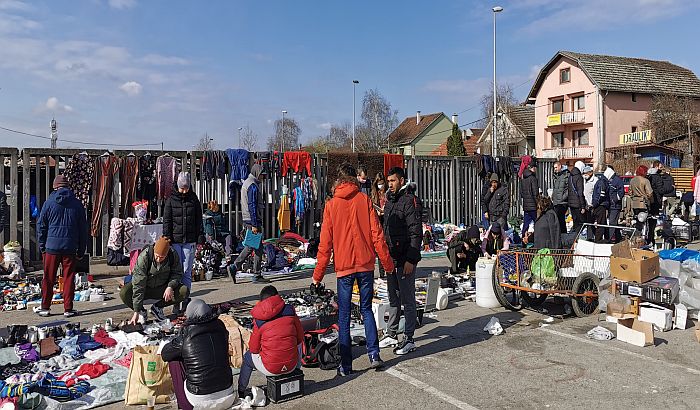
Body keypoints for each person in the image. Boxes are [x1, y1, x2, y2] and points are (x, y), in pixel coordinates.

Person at [313, 164, 394, 376]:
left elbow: (325, 245)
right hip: (365, 264)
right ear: (353, 179)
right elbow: (377, 235)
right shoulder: (364, 200)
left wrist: (317, 276)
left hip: (345, 268)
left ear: (337, 181)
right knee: (366, 309)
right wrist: (387, 265)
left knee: (344, 316)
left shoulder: (331, 206)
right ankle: (374, 354)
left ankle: (346, 365)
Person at [161, 299, 235, 409]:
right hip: (228, 394)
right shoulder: (220, 326)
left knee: (174, 360)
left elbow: (165, 354)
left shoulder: (187, 333)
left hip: (200, 399)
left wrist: (179, 336)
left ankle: (184, 405)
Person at [380, 166, 423, 356]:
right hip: (392, 258)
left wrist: (411, 260)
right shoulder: (389, 202)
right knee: (393, 298)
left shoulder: (409, 201)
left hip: (405, 258)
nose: (390, 184)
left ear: (402, 181)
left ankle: (409, 338)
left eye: (393, 181)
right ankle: (391, 333)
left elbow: (416, 232)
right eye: (388, 181)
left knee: (408, 299)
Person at [36, 175, 87, 317]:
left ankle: (45, 307)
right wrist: (81, 249)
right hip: (70, 247)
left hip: (51, 247)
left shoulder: (49, 203)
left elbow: (41, 226)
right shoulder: (77, 204)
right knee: (69, 277)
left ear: (55, 187)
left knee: (48, 278)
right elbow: (83, 229)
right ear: (68, 186)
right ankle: (68, 309)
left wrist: (42, 246)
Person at [238, 286, 303, 396]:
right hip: (292, 365)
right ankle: (296, 372)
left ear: (261, 301)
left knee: (248, 357)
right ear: (277, 297)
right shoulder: (290, 311)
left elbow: (254, 349)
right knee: (298, 342)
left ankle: (241, 390)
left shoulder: (259, 319)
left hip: (270, 368)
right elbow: (300, 337)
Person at [120, 236, 189, 324]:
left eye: (162, 257)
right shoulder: (144, 257)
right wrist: (136, 311)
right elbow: (139, 284)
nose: (159, 259)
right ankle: (142, 311)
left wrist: (170, 286)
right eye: (157, 256)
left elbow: (177, 273)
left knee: (184, 291)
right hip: (145, 287)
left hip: (162, 288)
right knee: (124, 292)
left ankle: (157, 308)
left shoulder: (173, 255)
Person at [163, 172, 203, 314]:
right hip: (175, 241)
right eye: (182, 188)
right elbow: (167, 220)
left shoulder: (194, 199)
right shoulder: (171, 200)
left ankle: (185, 298)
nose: (184, 190)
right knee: (176, 271)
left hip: (190, 240)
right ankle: (175, 301)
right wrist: (167, 238)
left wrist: (200, 237)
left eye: (186, 188)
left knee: (186, 271)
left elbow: (199, 220)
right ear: (178, 186)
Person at [233, 164, 269, 284]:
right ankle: (255, 274)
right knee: (255, 247)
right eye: (262, 175)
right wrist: (255, 224)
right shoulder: (252, 186)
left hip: (248, 219)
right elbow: (252, 205)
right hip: (252, 220)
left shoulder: (248, 183)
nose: (263, 178)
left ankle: (236, 267)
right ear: (257, 173)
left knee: (253, 246)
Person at [371, 172, 388, 278]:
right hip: (378, 221)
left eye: (382, 183)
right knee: (379, 246)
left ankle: (387, 271)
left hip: (386, 220)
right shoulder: (374, 194)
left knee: (386, 247)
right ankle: (381, 273)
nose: (380, 186)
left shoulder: (387, 193)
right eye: (378, 183)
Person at [630, 165, 653, 242]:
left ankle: (636, 236)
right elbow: (649, 193)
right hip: (643, 203)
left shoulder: (632, 180)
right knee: (644, 222)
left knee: (637, 221)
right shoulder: (645, 181)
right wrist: (651, 201)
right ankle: (642, 238)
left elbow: (630, 192)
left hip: (634, 203)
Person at [605, 165, 625, 242]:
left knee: (612, 222)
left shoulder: (617, 180)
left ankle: (609, 239)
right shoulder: (608, 179)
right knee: (614, 222)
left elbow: (621, 192)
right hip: (610, 205)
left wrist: (615, 200)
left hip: (615, 205)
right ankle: (618, 238)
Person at [520, 162, 539, 238]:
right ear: (533, 168)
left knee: (526, 224)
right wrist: (537, 203)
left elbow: (521, 193)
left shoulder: (523, 179)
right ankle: (537, 239)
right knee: (537, 223)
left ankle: (523, 241)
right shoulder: (533, 178)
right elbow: (535, 193)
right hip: (533, 206)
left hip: (526, 206)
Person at [591, 167, 610, 243]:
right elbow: (601, 195)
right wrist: (596, 204)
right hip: (600, 205)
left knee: (602, 223)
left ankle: (605, 238)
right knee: (601, 223)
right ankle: (598, 240)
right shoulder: (603, 182)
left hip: (599, 205)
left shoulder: (600, 181)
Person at [567, 161, 586, 234]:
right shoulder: (579, 177)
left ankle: (574, 238)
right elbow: (580, 192)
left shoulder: (570, 176)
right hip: (578, 203)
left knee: (575, 221)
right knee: (580, 223)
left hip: (571, 203)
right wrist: (583, 206)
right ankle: (578, 238)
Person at [551, 161, 569, 234]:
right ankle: (560, 235)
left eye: (556, 167)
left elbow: (568, 189)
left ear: (560, 166)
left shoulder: (566, 175)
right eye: (554, 168)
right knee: (558, 219)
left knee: (561, 220)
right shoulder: (557, 176)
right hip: (556, 201)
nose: (555, 169)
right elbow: (556, 188)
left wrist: (563, 198)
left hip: (562, 202)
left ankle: (563, 234)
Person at [582, 166, 597, 239]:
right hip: (586, 205)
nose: (584, 175)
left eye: (586, 173)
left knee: (593, 223)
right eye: (584, 173)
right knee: (588, 223)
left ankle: (594, 237)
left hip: (592, 205)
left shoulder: (595, 181)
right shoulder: (585, 180)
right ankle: (589, 237)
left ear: (590, 173)